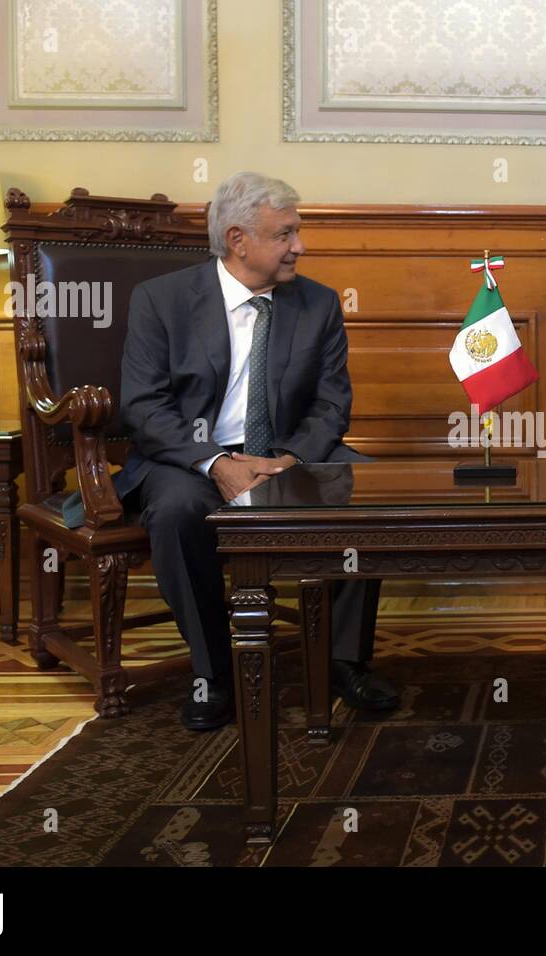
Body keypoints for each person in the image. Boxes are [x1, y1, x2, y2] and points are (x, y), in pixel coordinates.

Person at [117, 171, 394, 730]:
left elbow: (332, 404)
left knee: (363, 492)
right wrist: (215, 462)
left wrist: (287, 460)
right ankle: (213, 672)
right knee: (176, 512)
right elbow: (144, 406)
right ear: (239, 239)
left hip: (287, 452)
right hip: (191, 457)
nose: (300, 246)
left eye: (297, 233)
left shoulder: (316, 303)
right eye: (286, 234)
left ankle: (343, 659)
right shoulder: (162, 301)